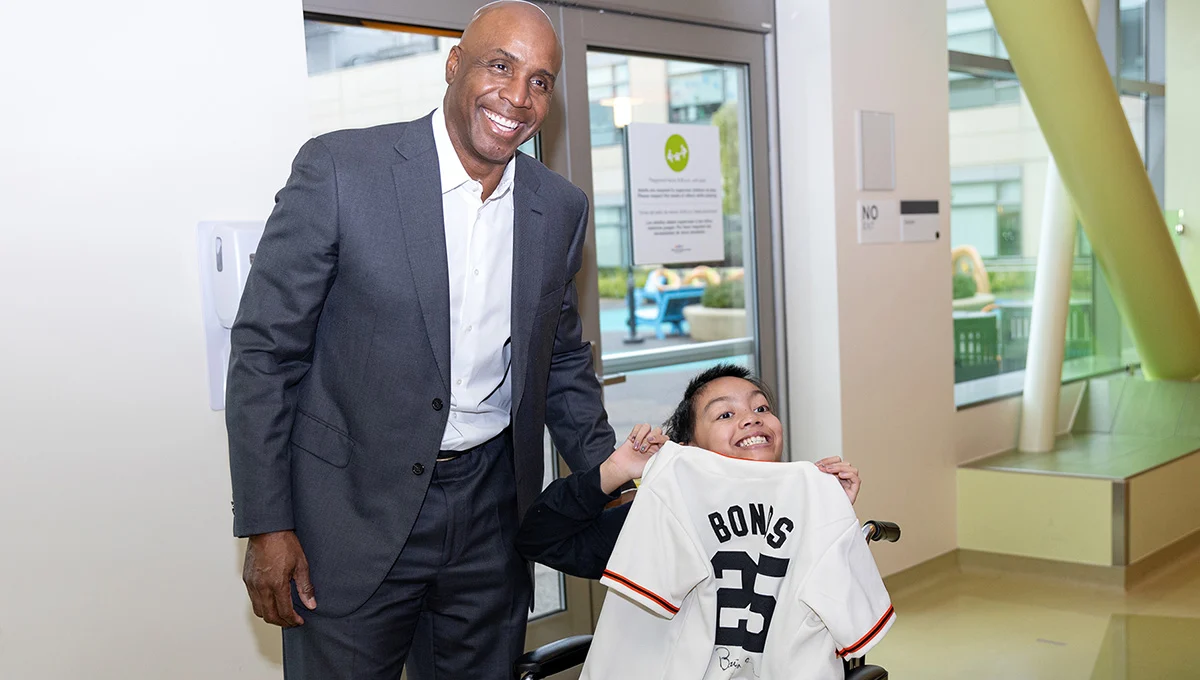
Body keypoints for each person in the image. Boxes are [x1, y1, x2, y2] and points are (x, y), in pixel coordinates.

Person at [225, 3, 615, 678]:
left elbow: (560, 364)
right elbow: (264, 353)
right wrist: (267, 523)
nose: (518, 97)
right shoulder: (343, 171)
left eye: (540, 80)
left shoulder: (560, 208)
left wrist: (620, 480)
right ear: (454, 64)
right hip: (349, 518)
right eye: (501, 65)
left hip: (492, 518)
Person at [516, 363, 861, 579]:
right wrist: (615, 470)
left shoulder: (804, 505)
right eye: (725, 414)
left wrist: (836, 515)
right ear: (690, 449)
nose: (751, 417)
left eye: (761, 407)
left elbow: (834, 607)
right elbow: (538, 538)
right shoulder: (660, 517)